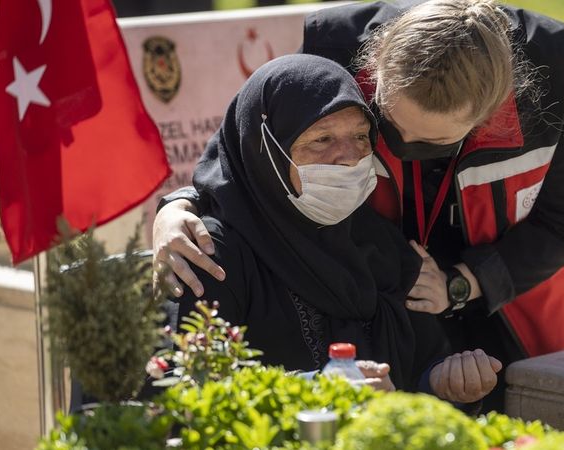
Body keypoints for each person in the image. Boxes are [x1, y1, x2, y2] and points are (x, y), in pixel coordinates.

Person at [154, 0, 564, 411]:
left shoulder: (557, 67)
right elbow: (257, 132)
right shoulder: (338, 43)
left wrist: (462, 289)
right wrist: (178, 205)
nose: (398, 146)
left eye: (431, 143)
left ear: (488, 117)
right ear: (375, 69)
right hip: (372, 264)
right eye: (386, 125)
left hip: (508, 293)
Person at [167, 52, 501, 403]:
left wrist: (442, 384)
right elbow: (184, 389)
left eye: (360, 136)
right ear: (265, 152)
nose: (349, 156)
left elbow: (419, 370)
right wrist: (314, 390)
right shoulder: (211, 253)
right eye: (322, 140)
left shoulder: (380, 244)